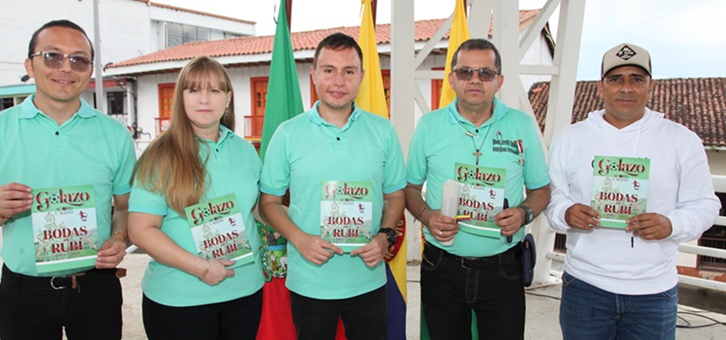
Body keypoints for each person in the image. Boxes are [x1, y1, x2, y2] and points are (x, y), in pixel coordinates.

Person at [0, 20, 135, 339]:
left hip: (96, 288)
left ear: (90, 70)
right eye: (53, 56)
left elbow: (124, 207)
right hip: (24, 292)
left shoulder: (115, 135)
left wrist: (120, 238)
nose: (66, 68)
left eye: (79, 59)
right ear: (29, 64)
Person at [546, 42, 720, 339]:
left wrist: (671, 224)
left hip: (654, 292)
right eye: (616, 79)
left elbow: (706, 204)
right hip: (586, 287)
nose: (626, 88)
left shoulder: (681, 140)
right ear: (601, 87)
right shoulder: (570, 139)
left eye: (636, 79)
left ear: (649, 86)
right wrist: (566, 212)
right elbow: (552, 199)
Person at [259, 32, 406, 339]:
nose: (338, 81)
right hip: (309, 282)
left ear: (361, 77)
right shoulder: (287, 134)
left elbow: (395, 196)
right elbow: (268, 203)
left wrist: (384, 236)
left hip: (368, 280)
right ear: (314, 75)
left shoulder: (383, 131)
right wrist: (299, 239)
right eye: (329, 70)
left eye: (348, 71)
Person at [404, 38, 550, 339]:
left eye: (485, 73)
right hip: (441, 267)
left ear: (499, 81)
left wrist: (524, 213)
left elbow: (541, 190)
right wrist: (428, 216)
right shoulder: (429, 126)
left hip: (504, 270)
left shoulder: (521, 125)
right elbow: (409, 188)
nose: (475, 79)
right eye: (466, 72)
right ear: (452, 79)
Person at [127, 56, 265, 339]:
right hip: (180, 301)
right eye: (194, 90)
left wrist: (299, 224)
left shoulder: (245, 151)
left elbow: (257, 209)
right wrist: (201, 268)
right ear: (181, 97)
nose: (205, 99)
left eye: (214, 91)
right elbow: (141, 230)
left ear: (227, 99)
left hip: (245, 294)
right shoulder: (159, 156)